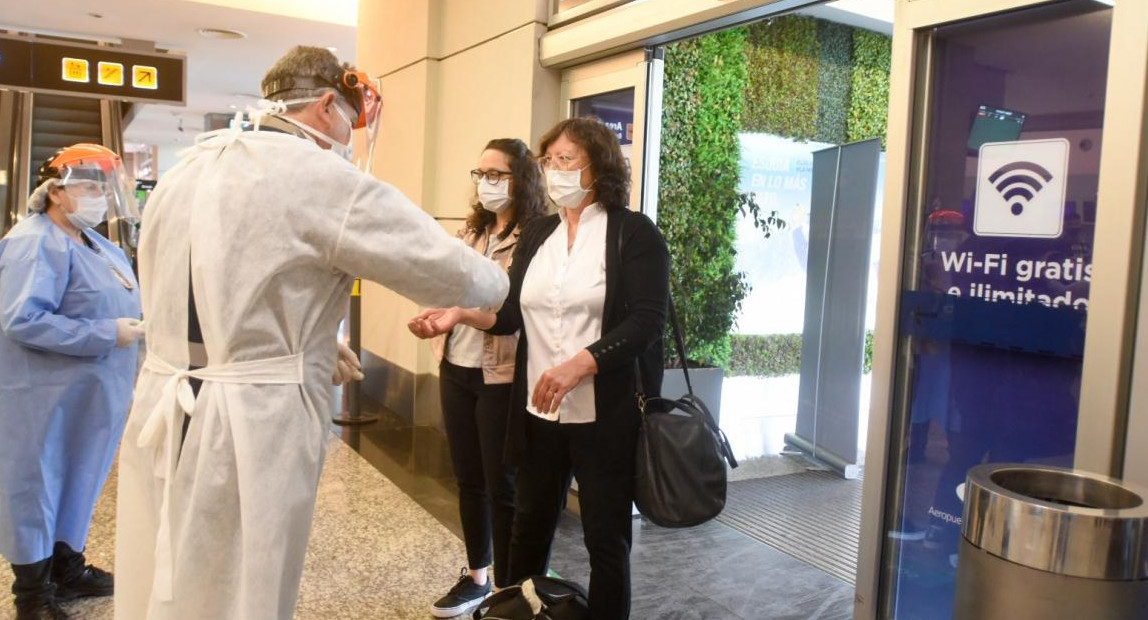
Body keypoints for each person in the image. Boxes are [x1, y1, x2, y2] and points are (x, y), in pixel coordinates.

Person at [112, 46, 509, 620]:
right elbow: (452, 271)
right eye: (350, 118)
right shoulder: (319, 176)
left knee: (169, 562)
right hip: (251, 416)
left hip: (167, 396)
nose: (350, 135)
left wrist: (310, 337)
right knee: (245, 579)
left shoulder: (190, 168)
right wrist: (502, 282)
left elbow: (211, 292)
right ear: (327, 103)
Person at [410, 117, 670, 620]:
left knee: (605, 539)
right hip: (537, 412)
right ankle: (517, 613)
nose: (554, 171)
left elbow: (646, 322)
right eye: (549, 162)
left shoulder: (633, 233)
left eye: (566, 160)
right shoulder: (542, 233)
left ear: (599, 166)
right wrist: (460, 314)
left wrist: (581, 364)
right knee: (527, 530)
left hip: (603, 416)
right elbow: (510, 314)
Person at [0, 144, 145, 620]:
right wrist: (107, 332)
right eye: (88, 186)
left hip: (94, 393)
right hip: (42, 396)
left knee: (81, 478)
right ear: (55, 191)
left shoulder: (98, 245)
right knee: (37, 484)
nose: (100, 197)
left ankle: (67, 568)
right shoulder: (34, 241)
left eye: (105, 188)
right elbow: (22, 319)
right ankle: (33, 595)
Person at [409, 138, 547, 618]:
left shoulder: (533, 235)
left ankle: (510, 592)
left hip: (500, 373)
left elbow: (511, 315)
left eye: (497, 174)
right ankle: (477, 578)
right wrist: (438, 315)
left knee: (501, 483)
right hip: (457, 366)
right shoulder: (474, 230)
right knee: (468, 480)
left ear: (521, 178)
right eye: (480, 174)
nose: (486, 183)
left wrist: (461, 315)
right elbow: (451, 287)